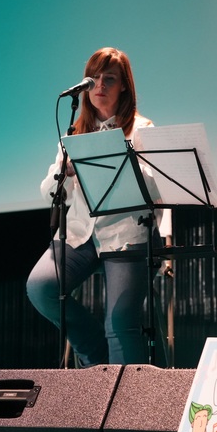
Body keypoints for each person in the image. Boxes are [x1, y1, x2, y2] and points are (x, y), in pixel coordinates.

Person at [26, 47, 156, 366]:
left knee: (120, 323)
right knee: (41, 288)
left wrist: (126, 162)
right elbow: (48, 193)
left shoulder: (141, 129)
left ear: (123, 86)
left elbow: (155, 190)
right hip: (81, 234)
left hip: (126, 235)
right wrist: (65, 171)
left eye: (109, 79)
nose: (99, 86)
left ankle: (128, 393)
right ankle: (97, 359)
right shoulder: (74, 132)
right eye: (93, 79)